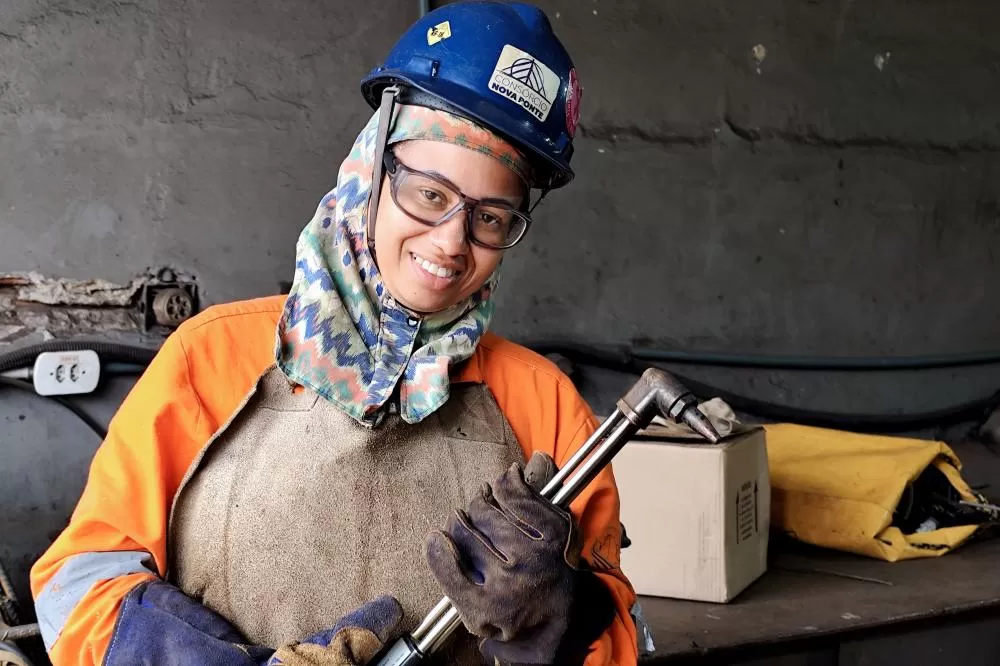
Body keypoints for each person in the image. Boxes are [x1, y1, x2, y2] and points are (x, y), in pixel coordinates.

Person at [30, 2, 638, 665]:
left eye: (491, 218)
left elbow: (621, 636)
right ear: (372, 167)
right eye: (430, 195)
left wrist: (564, 621)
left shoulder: (542, 404)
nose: (452, 244)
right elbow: (76, 585)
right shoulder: (209, 360)